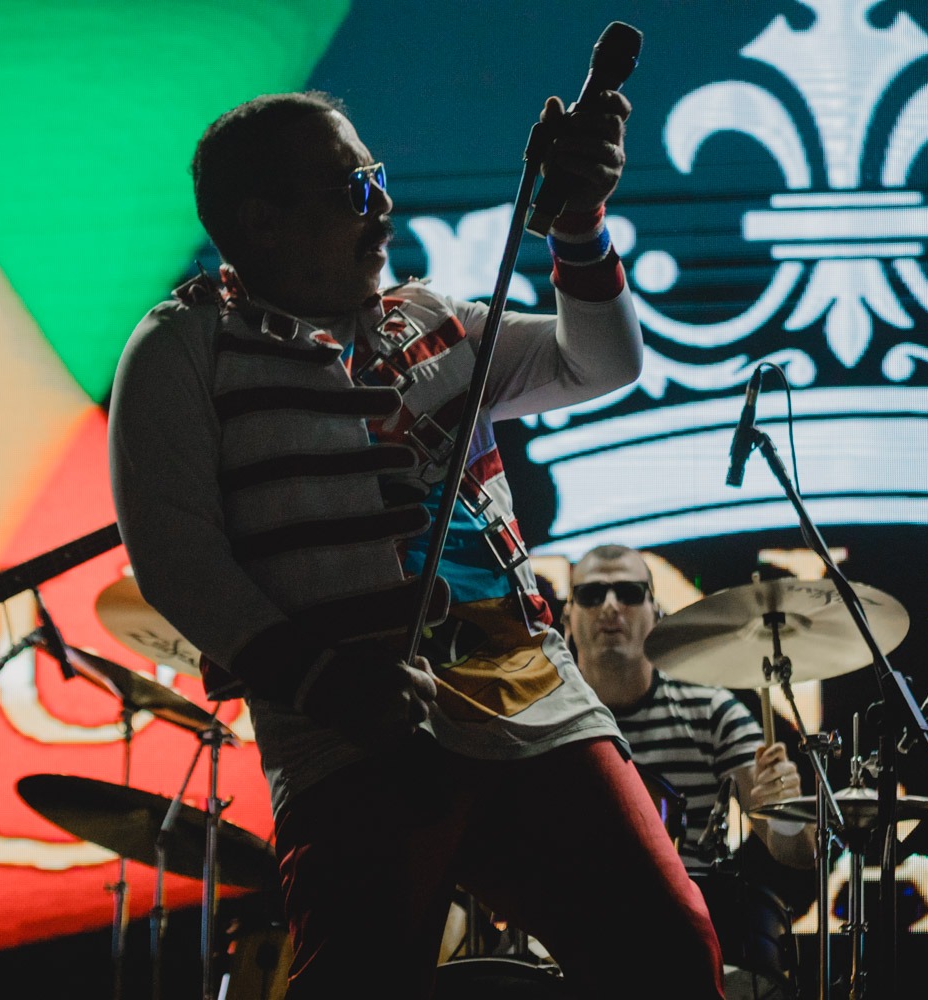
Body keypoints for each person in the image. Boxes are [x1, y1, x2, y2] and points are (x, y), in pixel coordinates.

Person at [110, 91, 724, 997]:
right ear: (262, 221)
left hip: (532, 697)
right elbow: (177, 558)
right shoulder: (185, 346)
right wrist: (323, 682)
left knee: (668, 948)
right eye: (353, 187)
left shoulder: (434, 319)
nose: (384, 203)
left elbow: (599, 361)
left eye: (378, 178)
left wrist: (580, 224)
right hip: (348, 732)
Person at [563, 544, 816, 871]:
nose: (610, 606)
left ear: (656, 612)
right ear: (567, 616)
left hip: (686, 904)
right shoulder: (545, 720)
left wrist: (784, 814)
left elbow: (796, 855)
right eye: (591, 595)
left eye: (629, 593)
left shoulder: (711, 712)